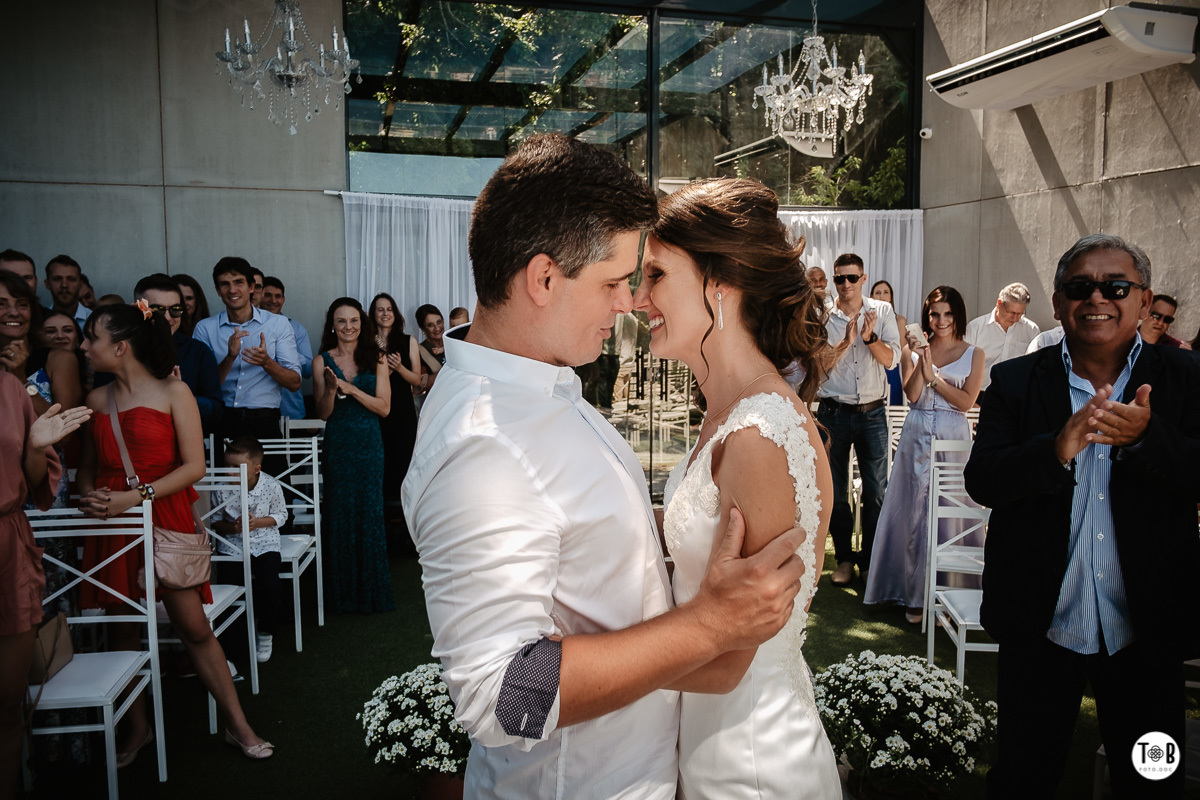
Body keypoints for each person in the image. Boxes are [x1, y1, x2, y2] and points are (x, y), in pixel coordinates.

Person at [403, 134, 810, 799]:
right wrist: (710, 623)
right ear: (542, 278)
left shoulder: (543, 384)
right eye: (615, 281)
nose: (628, 304)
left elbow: (566, 531)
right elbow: (504, 696)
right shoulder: (484, 447)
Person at [965, 234, 1199, 798]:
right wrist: (1053, 451)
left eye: (1116, 286)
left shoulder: (1187, 380)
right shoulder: (1017, 382)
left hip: (1145, 634)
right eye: (1079, 286)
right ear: (1057, 301)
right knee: (1024, 777)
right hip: (1042, 629)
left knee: (1152, 782)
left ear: (1143, 301)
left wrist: (1148, 440)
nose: (1097, 297)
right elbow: (983, 480)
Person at [633, 177, 840, 798]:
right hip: (709, 742)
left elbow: (730, 660)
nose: (639, 299)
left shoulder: (759, 434)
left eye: (656, 276)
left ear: (717, 284)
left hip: (753, 762)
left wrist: (590, 666)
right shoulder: (727, 413)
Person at [76, 303, 273, 763]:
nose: (83, 347)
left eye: (92, 338)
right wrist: (90, 495)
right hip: (113, 524)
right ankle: (139, 729)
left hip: (162, 516)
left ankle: (237, 725)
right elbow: (86, 469)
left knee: (193, 627)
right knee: (121, 629)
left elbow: (194, 467)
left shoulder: (174, 391)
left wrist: (136, 496)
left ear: (120, 347)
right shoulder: (94, 402)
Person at [864, 286, 984, 624]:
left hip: (953, 436)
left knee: (952, 512)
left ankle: (950, 591)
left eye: (947, 314)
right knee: (911, 510)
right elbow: (914, 396)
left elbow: (966, 402)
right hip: (916, 434)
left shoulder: (974, 353)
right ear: (926, 317)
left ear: (957, 315)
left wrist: (937, 379)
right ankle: (911, 595)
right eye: (934, 314)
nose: (941, 320)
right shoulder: (911, 351)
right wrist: (921, 362)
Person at [0, 376, 87, 800]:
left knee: (7, 701)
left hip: (6, 545)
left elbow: (35, 482)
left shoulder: (11, 389)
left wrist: (36, 448)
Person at [816, 253, 901, 587]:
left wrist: (869, 339)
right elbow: (817, 367)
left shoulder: (882, 313)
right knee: (835, 492)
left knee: (876, 492)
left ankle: (869, 561)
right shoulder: (823, 316)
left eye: (852, 278)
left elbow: (892, 361)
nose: (845, 285)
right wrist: (844, 343)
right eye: (839, 279)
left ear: (864, 279)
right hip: (833, 412)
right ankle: (845, 560)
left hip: (873, 413)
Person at [313, 298, 394, 614]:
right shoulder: (321, 362)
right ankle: (342, 595)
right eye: (341, 321)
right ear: (332, 325)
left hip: (369, 445)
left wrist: (352, 389)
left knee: (369, 511)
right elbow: (323, 414)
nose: (348, 327)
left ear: (363, 324)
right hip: (339, 445)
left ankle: (371, 592)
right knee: (340, 513)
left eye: (354, 321)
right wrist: (332, 392)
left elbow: (384, 408)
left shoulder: (378, 358)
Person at [192, 258, 301, 448]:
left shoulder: (278, 324)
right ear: (218, 291)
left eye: (238, 282)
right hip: (222, 422)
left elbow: (294, 382)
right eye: (225, 284)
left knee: (274, 479)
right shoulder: (205, 328)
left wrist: (267, 362)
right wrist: (230, 357)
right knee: (222, 479)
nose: (232, 290)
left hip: (264, 422)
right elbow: (202, 389)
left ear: (252, 287)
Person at [212, 437, 287, 664]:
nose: (229, 472)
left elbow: (282, 516)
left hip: (265, 543)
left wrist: (259, 522)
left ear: (256, 469)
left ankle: (265, 632)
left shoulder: (271, 485)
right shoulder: (220, 489)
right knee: (228, 591)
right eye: (227, 466)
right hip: (232, 546)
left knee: (270, 584)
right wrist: (232, 526)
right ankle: (230, 648)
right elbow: (215, 521)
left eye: (237, 468)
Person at [133, 274, 223, 435]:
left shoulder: (198, 351)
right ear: (139, 309)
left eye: (175, 310)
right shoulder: (122, 350)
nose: (168, 318)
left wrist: (182, 396)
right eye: (158, 310)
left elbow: (216, 410)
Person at [369, 293, 420, 516]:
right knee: (380, 462)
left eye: (389, 309)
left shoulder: (408, 340)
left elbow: (417, 379)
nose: (385, 313)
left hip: (403, 410)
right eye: (380, 309)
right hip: (378, 409)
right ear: (373, 314)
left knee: (403, 460)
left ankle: (405, 517)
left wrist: (398, 368)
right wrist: (385, 371)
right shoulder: (367, 343)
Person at [964, 282, 1040, 403]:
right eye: (1012, 312)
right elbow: (963, 365)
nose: (1015, 318)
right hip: (980, 396)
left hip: (1016, 397)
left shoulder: (1031, 330)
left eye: (1020, 313)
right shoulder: (976, 328)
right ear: (999, 304)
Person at [260, 277, 313, 421]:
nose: (273, 300)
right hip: (259, 413)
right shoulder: (251, 327)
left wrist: (286, 351)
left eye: (278, 296)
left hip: (291, 411)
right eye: (268, 295)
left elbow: (309, 369)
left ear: (283, 299)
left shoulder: (297, 329)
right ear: (259, 295)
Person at [870, 279, 909, 405]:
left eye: (886, 292)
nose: (881, 296)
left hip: (891, 369)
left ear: (891, 297)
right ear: (871, 297)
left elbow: (901, 351)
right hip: (870, 368)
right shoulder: (866, 318)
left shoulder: (900, 320)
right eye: (877, 293)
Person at [0, 250, 54, 320]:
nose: (20, 284)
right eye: (10, 278)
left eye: (26, 278)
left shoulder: (51, 320)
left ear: (36, 281)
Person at [43, 255, 91, 328]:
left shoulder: (94, 321)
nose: (64, 285)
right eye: (57, 279)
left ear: (80, 285)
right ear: (47, 284)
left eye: (71, 279)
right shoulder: (40, 321)